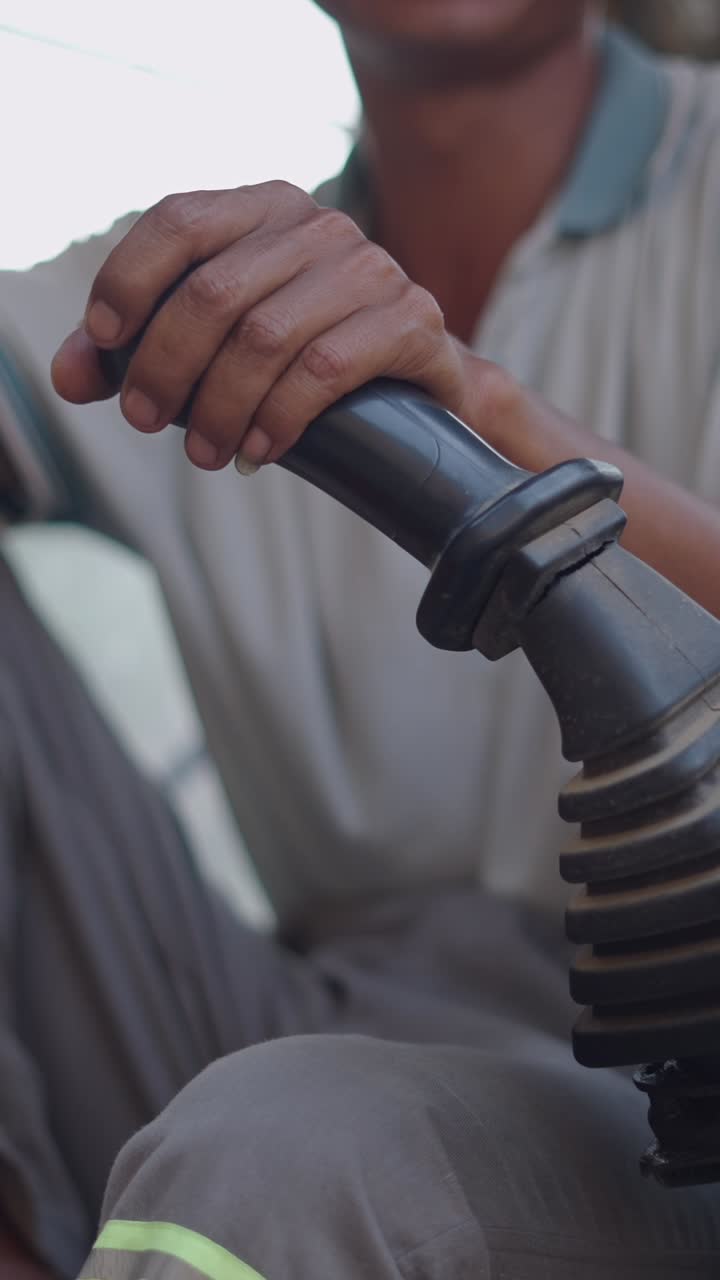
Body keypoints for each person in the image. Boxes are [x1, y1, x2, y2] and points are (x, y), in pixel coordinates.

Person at [1, 1, 720, 1275]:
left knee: (288, 1154)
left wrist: (487, 408)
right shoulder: (197, 291)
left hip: (679, 1093)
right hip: (279, 1009)